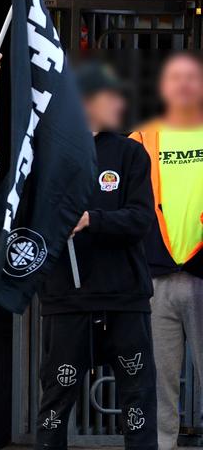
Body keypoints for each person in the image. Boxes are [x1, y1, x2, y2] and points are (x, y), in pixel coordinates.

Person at [33, 62, 156, 450]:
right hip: (66, 301)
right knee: (55, 402)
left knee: (137, 400)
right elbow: (26, 218)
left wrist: (91, 219)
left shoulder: (130, 154)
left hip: (124, 298)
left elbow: (140, 219)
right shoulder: (47, 153)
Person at [129, 51, 203, 450]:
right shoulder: (141, 140)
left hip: (201, 275)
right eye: (176, 77)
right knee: (158, 382)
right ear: (163, 88)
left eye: (193, 77)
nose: (185, 85)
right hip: (155, 280)